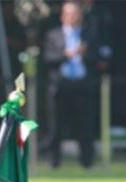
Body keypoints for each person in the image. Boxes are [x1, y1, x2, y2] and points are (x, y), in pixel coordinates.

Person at [42, 1, 99, 168]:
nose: (73, 17)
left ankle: (87, 161)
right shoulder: (53, 35)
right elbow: (47, 59)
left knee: (85, 126)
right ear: (62, 16)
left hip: (82, 85)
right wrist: (65, 55)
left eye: (76, 14)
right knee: (56, 126)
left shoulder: (89, 34)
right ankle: (53, 160)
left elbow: (98, 59)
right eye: (69, 14)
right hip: (60, 86)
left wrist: (84, 54)